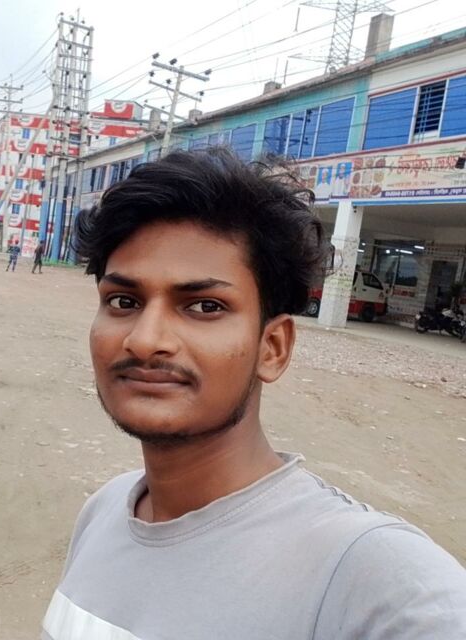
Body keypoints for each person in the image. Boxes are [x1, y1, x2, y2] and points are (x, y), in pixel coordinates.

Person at [41, 148, 466, 639]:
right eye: (123, 301)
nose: (144, 339)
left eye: (204, 306)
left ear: (273, 347)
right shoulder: (104, 511)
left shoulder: (374, 580)